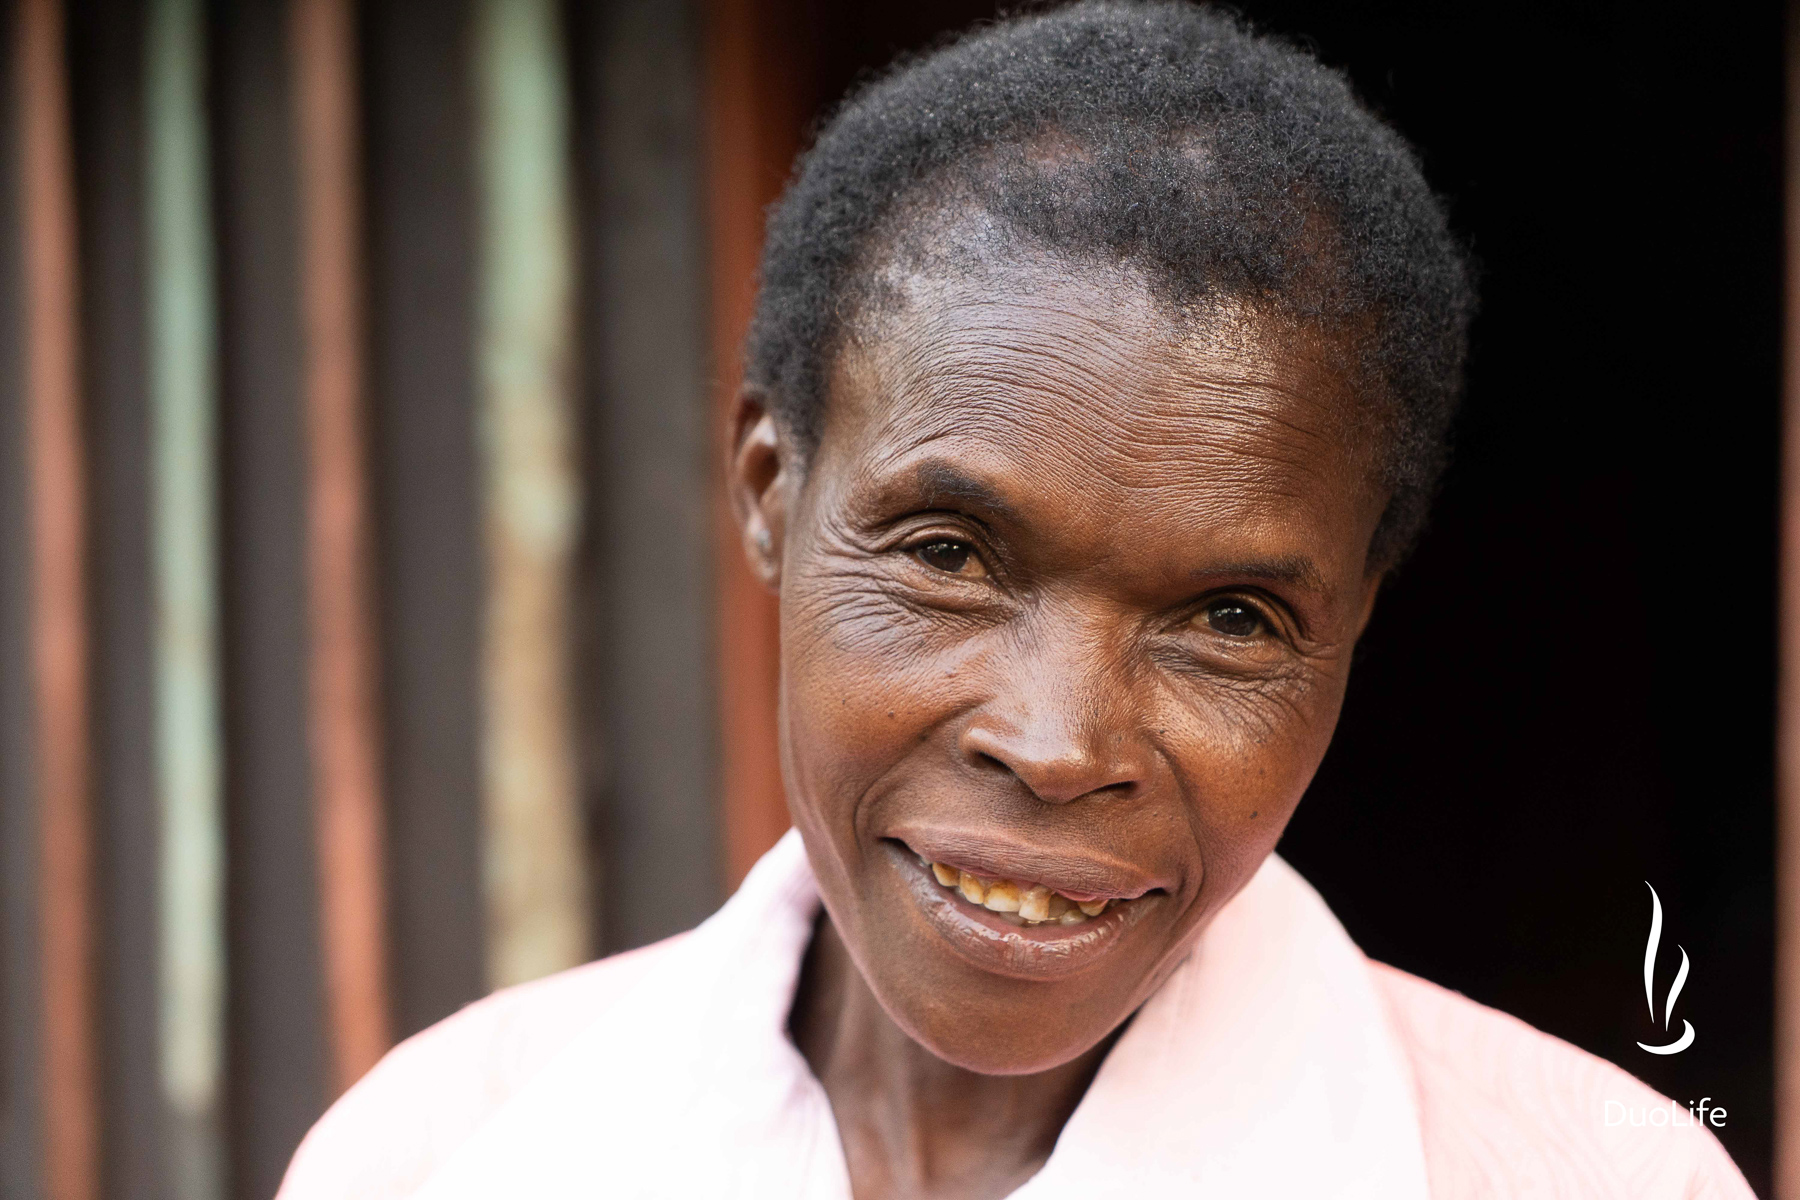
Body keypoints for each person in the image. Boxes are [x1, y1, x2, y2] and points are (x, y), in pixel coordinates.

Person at [278, 3, 1753, 1196]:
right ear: (771, 490)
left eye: (1231, 619)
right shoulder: (443, 1156)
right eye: (947, 555)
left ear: (1355, 623)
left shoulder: (1596, 1180)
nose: (1057, 746)